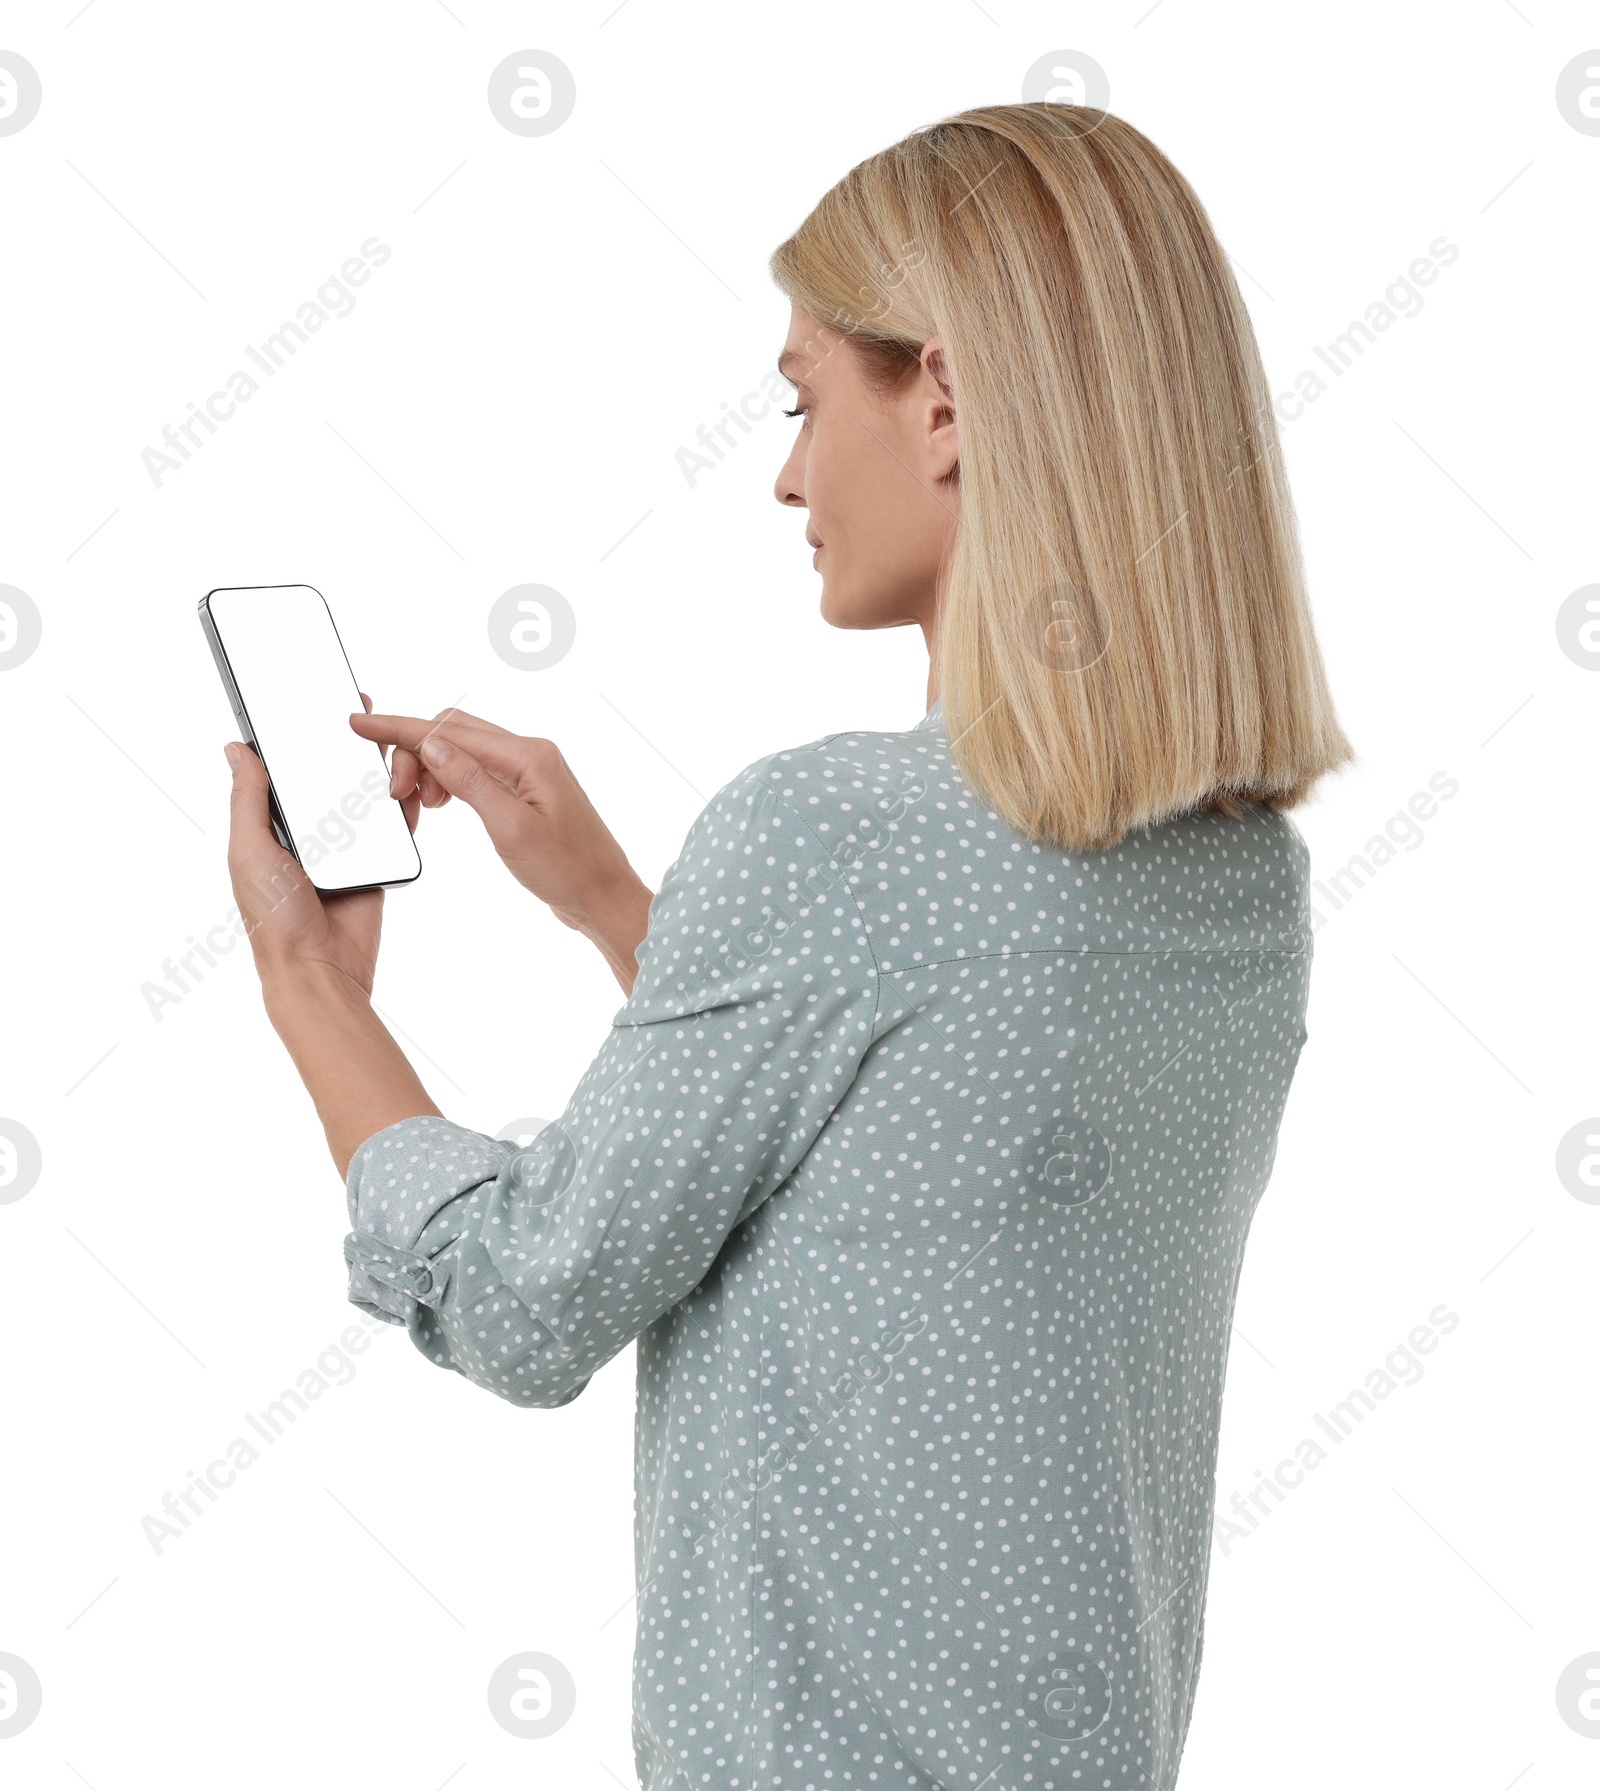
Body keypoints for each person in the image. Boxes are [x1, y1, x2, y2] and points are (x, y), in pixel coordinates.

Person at [223, 102, 1352, 1791]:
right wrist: (622, 913)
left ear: (950, 398)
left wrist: (310, 986)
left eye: (806, 397)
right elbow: (910, 1149)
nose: (786, 470)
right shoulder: (1241, 885)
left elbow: (525, 1305)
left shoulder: (829, 840)